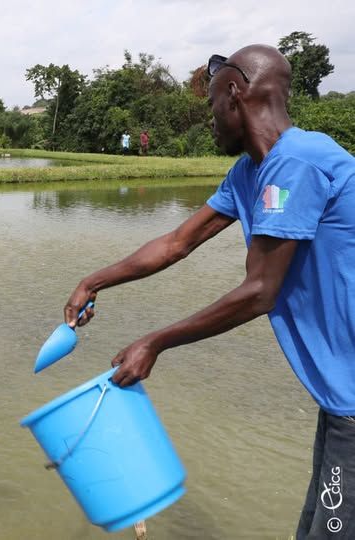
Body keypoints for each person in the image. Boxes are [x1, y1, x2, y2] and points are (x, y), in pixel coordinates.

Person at [63, 44, 355, 539]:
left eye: (212, 105)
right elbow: (177, 243)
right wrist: (93, 281)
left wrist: (154, 342)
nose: (210, 120)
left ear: (235, 94)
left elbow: (260, 290)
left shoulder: (300, 162)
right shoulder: (250, 173)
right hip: (340, 400)